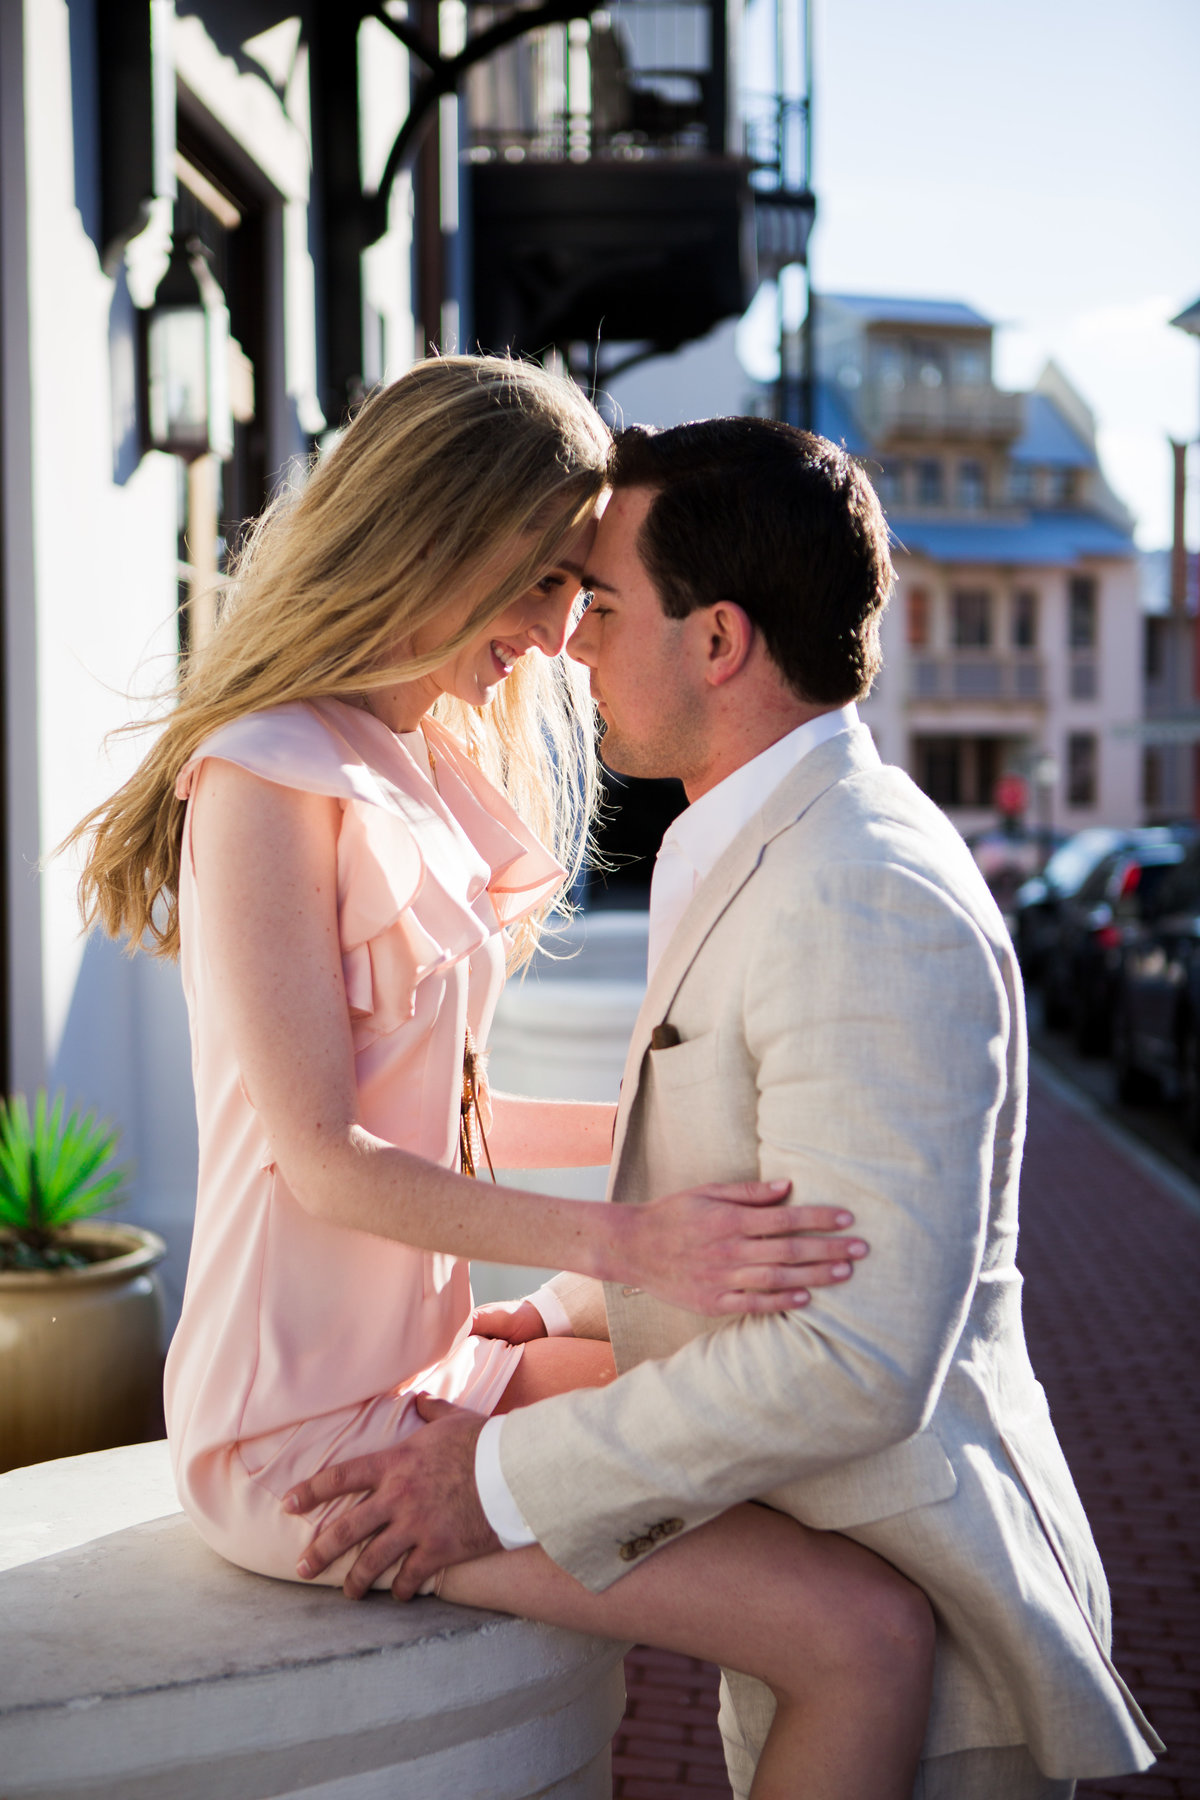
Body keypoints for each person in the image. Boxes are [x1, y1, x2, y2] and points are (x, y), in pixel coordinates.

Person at [71, 360, 939, 1800]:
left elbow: (458, 1124)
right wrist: (631, 1239)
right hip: (303, 1430)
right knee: (861, 1632)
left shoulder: (411, 755)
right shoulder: (264, 774)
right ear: (438, 541)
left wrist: (722, 1151)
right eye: (543, 583)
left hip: (436, 1365)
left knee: (808, 1435)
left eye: (578, 592)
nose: (556, 637)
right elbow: (325, 1158)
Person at [286, 417, 1165, 1799]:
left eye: (604, 603)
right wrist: (574, 1314)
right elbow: (764, 1199)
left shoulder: (864, 891)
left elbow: (855, 1360)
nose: (569, 642)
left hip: (939, 1661)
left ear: (719, 642)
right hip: (847, 1573)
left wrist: (496, 1481)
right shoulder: (769, 842)